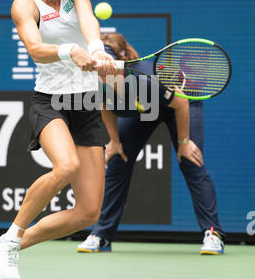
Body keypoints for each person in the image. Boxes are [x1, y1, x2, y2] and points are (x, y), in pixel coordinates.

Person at [0, 0, 116, 279]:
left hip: (85, 103)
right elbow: (36, 48)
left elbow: (86, 13)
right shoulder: (23, 5)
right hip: (51, 101)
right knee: (66, 165)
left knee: (87, 213)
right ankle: (11, 237)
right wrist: (71, 51)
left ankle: (5, 246)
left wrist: (96, 48)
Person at [77, 32, 226, 255]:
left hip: (181, 102)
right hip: (146, 107)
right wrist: (115, 141)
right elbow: (104, 106)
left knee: (190, 161)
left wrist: (184, 142)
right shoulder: (94, 83)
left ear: (120, 60)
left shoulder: (142, 79)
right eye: (99, 65)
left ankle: (213, 234)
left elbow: (181, 103)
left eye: (107, 63)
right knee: (118, 160)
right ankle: (102, 235)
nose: (103, 70)